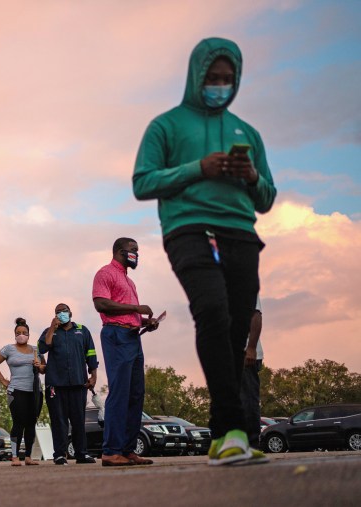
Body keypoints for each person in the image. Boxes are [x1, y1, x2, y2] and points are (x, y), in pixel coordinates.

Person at [132, 37, 276, 466]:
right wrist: (200, 167)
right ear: (197, 76)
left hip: (241, 234)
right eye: (212, 78)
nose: (220, 85)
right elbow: (144, 182)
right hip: (189, 229)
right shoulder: (166, 126)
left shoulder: (247, 132)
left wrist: (250, 176)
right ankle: (233, 430)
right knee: (212, 311)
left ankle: (222, 433)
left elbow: (267, 197)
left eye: (228, 80)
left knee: (235, 328)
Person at [92, 237, 160, 466]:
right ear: (121, 251)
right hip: (116, 336)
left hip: (132, 336)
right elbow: (101, 304)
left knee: (135, 394)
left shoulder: (129, 282)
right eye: (134, 251)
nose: (137, 255)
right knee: (120, 392)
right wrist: (136, 308)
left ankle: (127, 449)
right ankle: (111, 451)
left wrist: (144, 321)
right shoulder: (105, 273)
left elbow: (128, 314)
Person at [37, 304, 98, 465]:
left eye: (64, 311)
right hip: (55, 385)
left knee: (79, 420)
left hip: (79, 383)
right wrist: (52, 327)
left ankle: (81, 454)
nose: (61, 313)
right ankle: (59, 454)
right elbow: (42, 348)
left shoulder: (82, 330)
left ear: (70, 313)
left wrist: (94, 375)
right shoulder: (49, 331)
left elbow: (91, 352)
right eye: (58, 312)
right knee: (59, 421)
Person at [0, 317, 45, 466]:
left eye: (24, 332)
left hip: (35, 390)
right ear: (15, 334)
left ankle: (28, 456)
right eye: (19, 332)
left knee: (31, 423)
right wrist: (3, 380)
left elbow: (44, 369)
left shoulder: (36, 349)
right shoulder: (9, 349)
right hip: (16, 390)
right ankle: (14, 456)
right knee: (18, 422)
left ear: (28, 334)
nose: (22, 335)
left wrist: (40, 366)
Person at [240, 296, 263, 447]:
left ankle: (252, 444)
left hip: (244, 353)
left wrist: (251, 348)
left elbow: (256, 315)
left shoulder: (244, 279)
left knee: (247, 400)